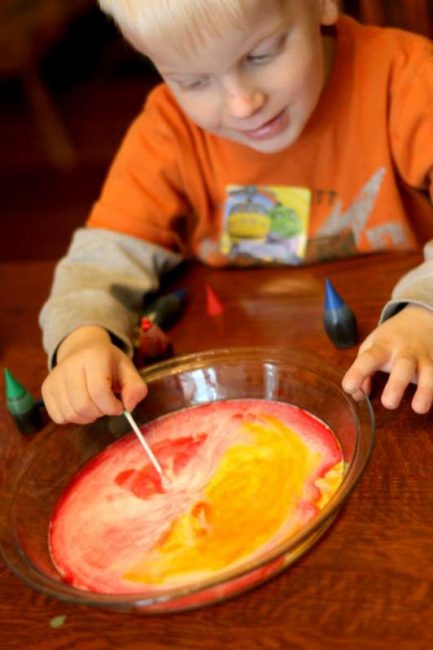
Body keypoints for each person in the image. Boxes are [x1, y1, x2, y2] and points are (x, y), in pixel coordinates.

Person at [39, 0, 433, 424]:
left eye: (261, 55)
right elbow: (99, 261)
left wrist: (425, 310)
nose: (243, 104)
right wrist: (82, 339)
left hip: (390, 390)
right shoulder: (168, 133)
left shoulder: (407, 80)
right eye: (193, 81)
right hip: (243, 391)